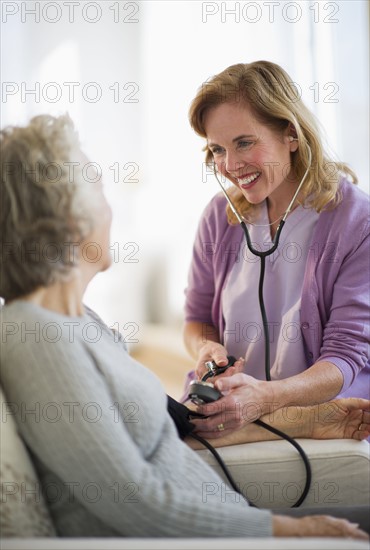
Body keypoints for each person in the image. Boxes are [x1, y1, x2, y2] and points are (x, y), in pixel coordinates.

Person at [1, 114, 369, 541]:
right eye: (100, 189)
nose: (111, 207)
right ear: (69, 217)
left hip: (228, 509)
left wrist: (301, 420)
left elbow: (168, 429)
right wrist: (292, 529)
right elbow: (135, 504)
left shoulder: (77, 320)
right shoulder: (39, 340)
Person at [183, 60, 370, 437]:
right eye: (217, 149)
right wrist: (206, 348)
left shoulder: (355, 221)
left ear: (291, 135)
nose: (230, 165)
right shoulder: (220, 217)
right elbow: (197, 317)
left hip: (322, 413)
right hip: (227, 408)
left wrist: (266, 398)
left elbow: (347, 354)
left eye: (245, 143)